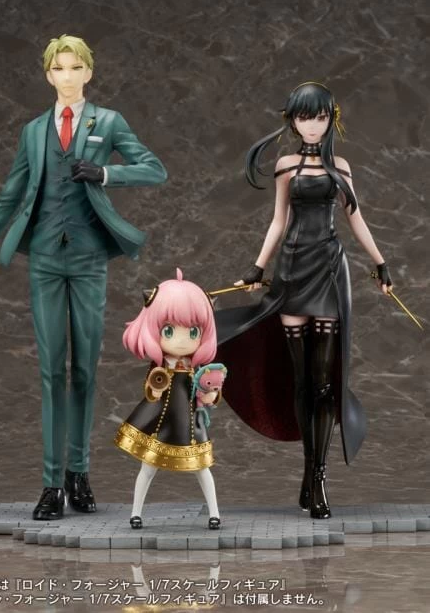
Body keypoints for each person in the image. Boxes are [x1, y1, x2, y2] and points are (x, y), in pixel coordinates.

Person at [0, 34, 167, 521]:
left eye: (75, 67)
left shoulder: (107, 122)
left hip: (88, 259)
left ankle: (78, 472)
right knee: (51, 371)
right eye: (58, 68)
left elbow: (155, 169)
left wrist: (106, 174)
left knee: (85, 369)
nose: (67, 76)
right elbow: (10, 195)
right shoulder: (33, 131)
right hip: (45, 259)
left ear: (89, 72)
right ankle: (51, 485)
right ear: (47, 74)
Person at [215, 81, 392, 519]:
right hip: (294, 270)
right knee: (300, 381)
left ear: (331, 119)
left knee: (324, 381)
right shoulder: (286, 166)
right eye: (303, 117)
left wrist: (381, 263)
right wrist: (257, 267)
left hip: (329, 270)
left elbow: (356, 220)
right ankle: (309, 473)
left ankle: (318, 477)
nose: (312, 125)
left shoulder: (341, 167)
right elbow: (278, 221)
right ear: (292, 121)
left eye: (319, 117)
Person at [115, 269, 224, 530]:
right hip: (160, 421)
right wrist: (154, 390)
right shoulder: (160, 366)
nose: (182, 341)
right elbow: (151, 388)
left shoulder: (197, 369)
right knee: (147, 468)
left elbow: (208, 391)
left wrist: (210, 394)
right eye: (169, 330)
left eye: (193, 332)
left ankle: (215, 513)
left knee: (202, 468)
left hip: (190, 422)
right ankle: (136, 513)